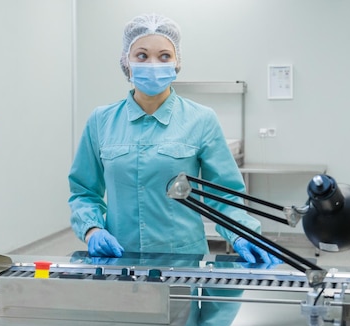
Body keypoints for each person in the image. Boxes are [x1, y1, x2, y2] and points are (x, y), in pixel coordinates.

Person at [68, 13, 279, 266]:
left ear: (176, 61)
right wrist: (92, 229)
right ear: (127, 60)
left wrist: (243, 234)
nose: (154, 64)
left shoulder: (201, 120)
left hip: (183, 263)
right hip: (119, 261)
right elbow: (84, 191)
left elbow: (225, 196)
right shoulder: (101, 121)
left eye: (164, 56)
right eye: (142, 55)